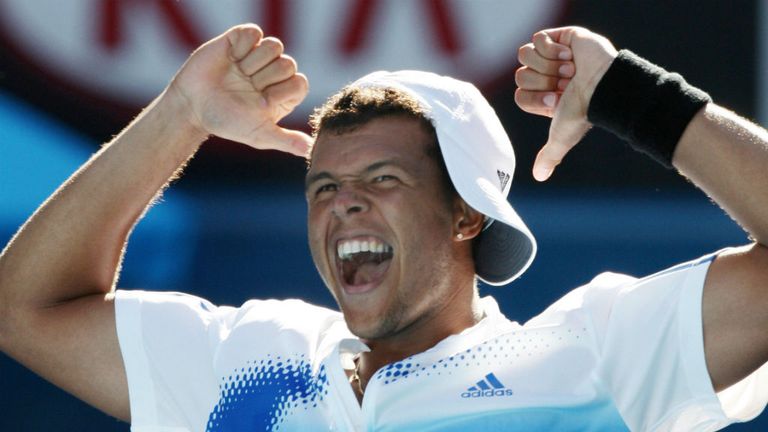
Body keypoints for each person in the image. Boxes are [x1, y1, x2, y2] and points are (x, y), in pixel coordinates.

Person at [0, 22, 766, 431]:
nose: (342, 204)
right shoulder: (246, 357)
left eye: (382, 180)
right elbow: (22, 309)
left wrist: (636, 98)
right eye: (324, 185)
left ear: (467, 213)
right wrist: (177, 118)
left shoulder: (596, 354)